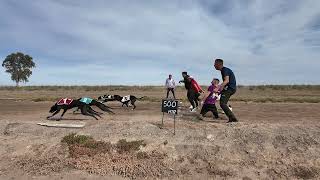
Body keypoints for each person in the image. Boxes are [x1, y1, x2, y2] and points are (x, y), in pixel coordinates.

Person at [214, 58, 238, 122]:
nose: (214, 65)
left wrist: (218, 88)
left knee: (222, 103)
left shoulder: (224, 70)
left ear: (218, 64)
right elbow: (225, 83)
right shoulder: (224, 70)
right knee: (223, 103)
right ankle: (232, 118)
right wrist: (220, 90)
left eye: (215, 63)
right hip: (229, 88)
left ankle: (233, 119)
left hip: (230, 88)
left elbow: (226, 81)